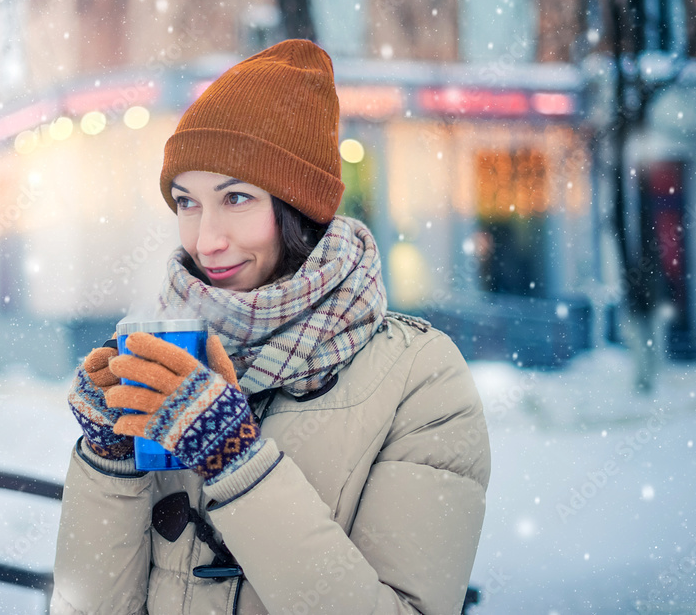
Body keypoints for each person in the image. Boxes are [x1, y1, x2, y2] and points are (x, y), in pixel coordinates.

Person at [51, 39, 490, 615]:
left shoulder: (420, 377)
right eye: (187, 202)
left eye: (236, 197)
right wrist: (108, 460)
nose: (205, 239)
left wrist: (236, 462)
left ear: (298, 208)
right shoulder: (162, 348)